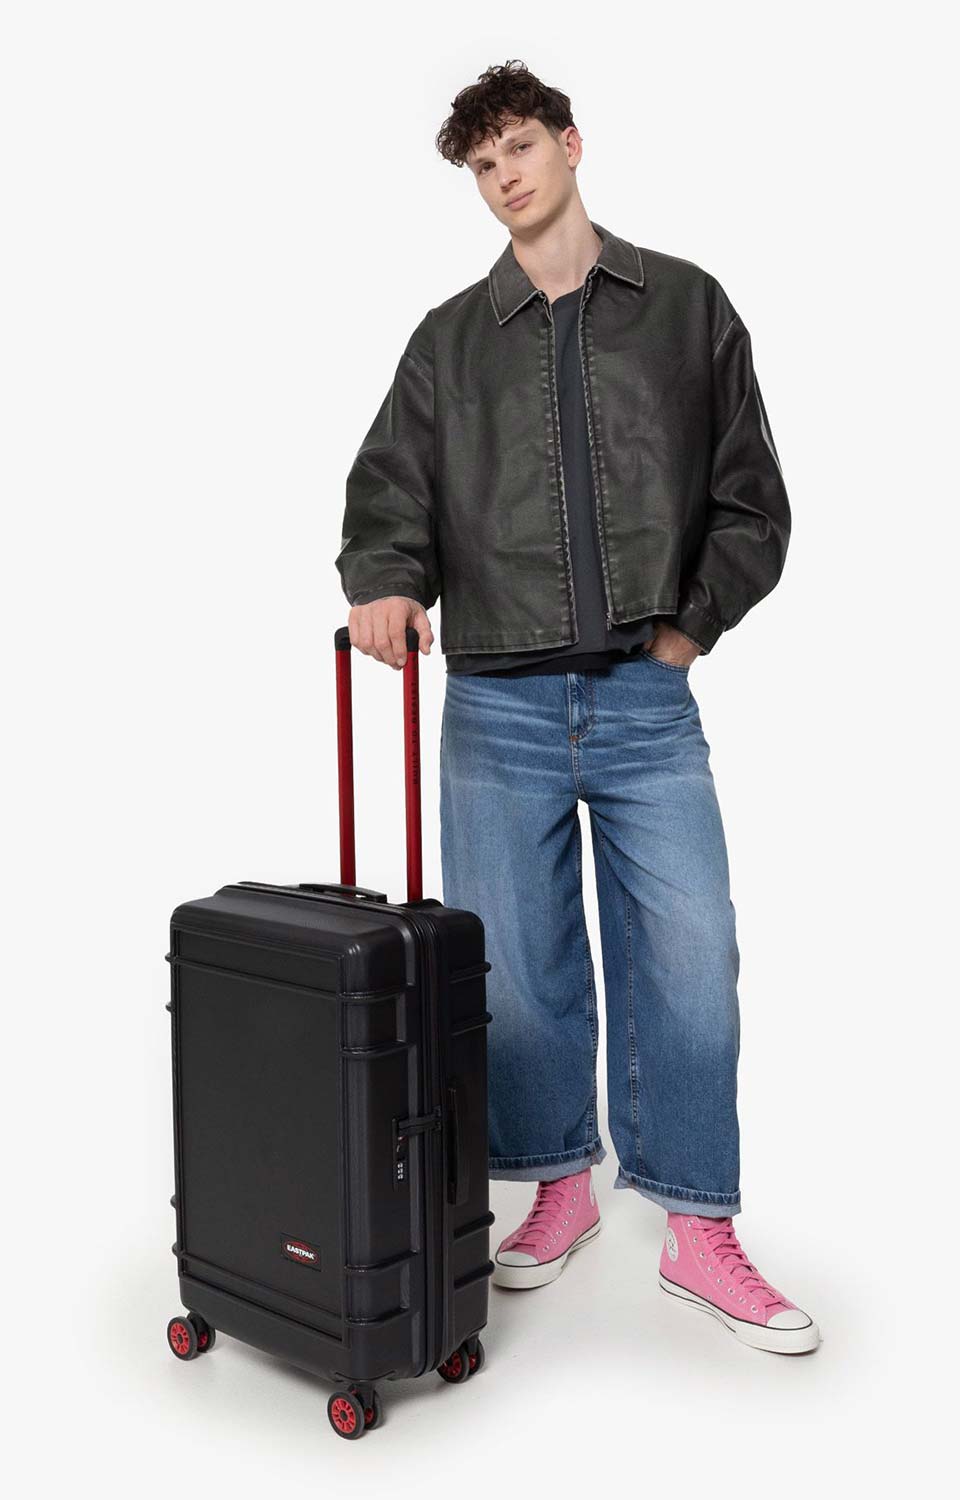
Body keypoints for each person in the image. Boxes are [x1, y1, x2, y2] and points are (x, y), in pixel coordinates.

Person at [336, 60, 819, 1355]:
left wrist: (688, 627)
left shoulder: (686, 307)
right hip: (496, 707)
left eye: (520, 147)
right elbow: (389, 491)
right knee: (523, 974)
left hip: (645, 704)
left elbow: (752, 499)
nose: (504, 176)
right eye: (482, 164)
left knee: (694, 960)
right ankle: (559, 1184)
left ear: (571, 144)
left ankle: (699, 1229)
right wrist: (386, 582)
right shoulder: (448, 342)